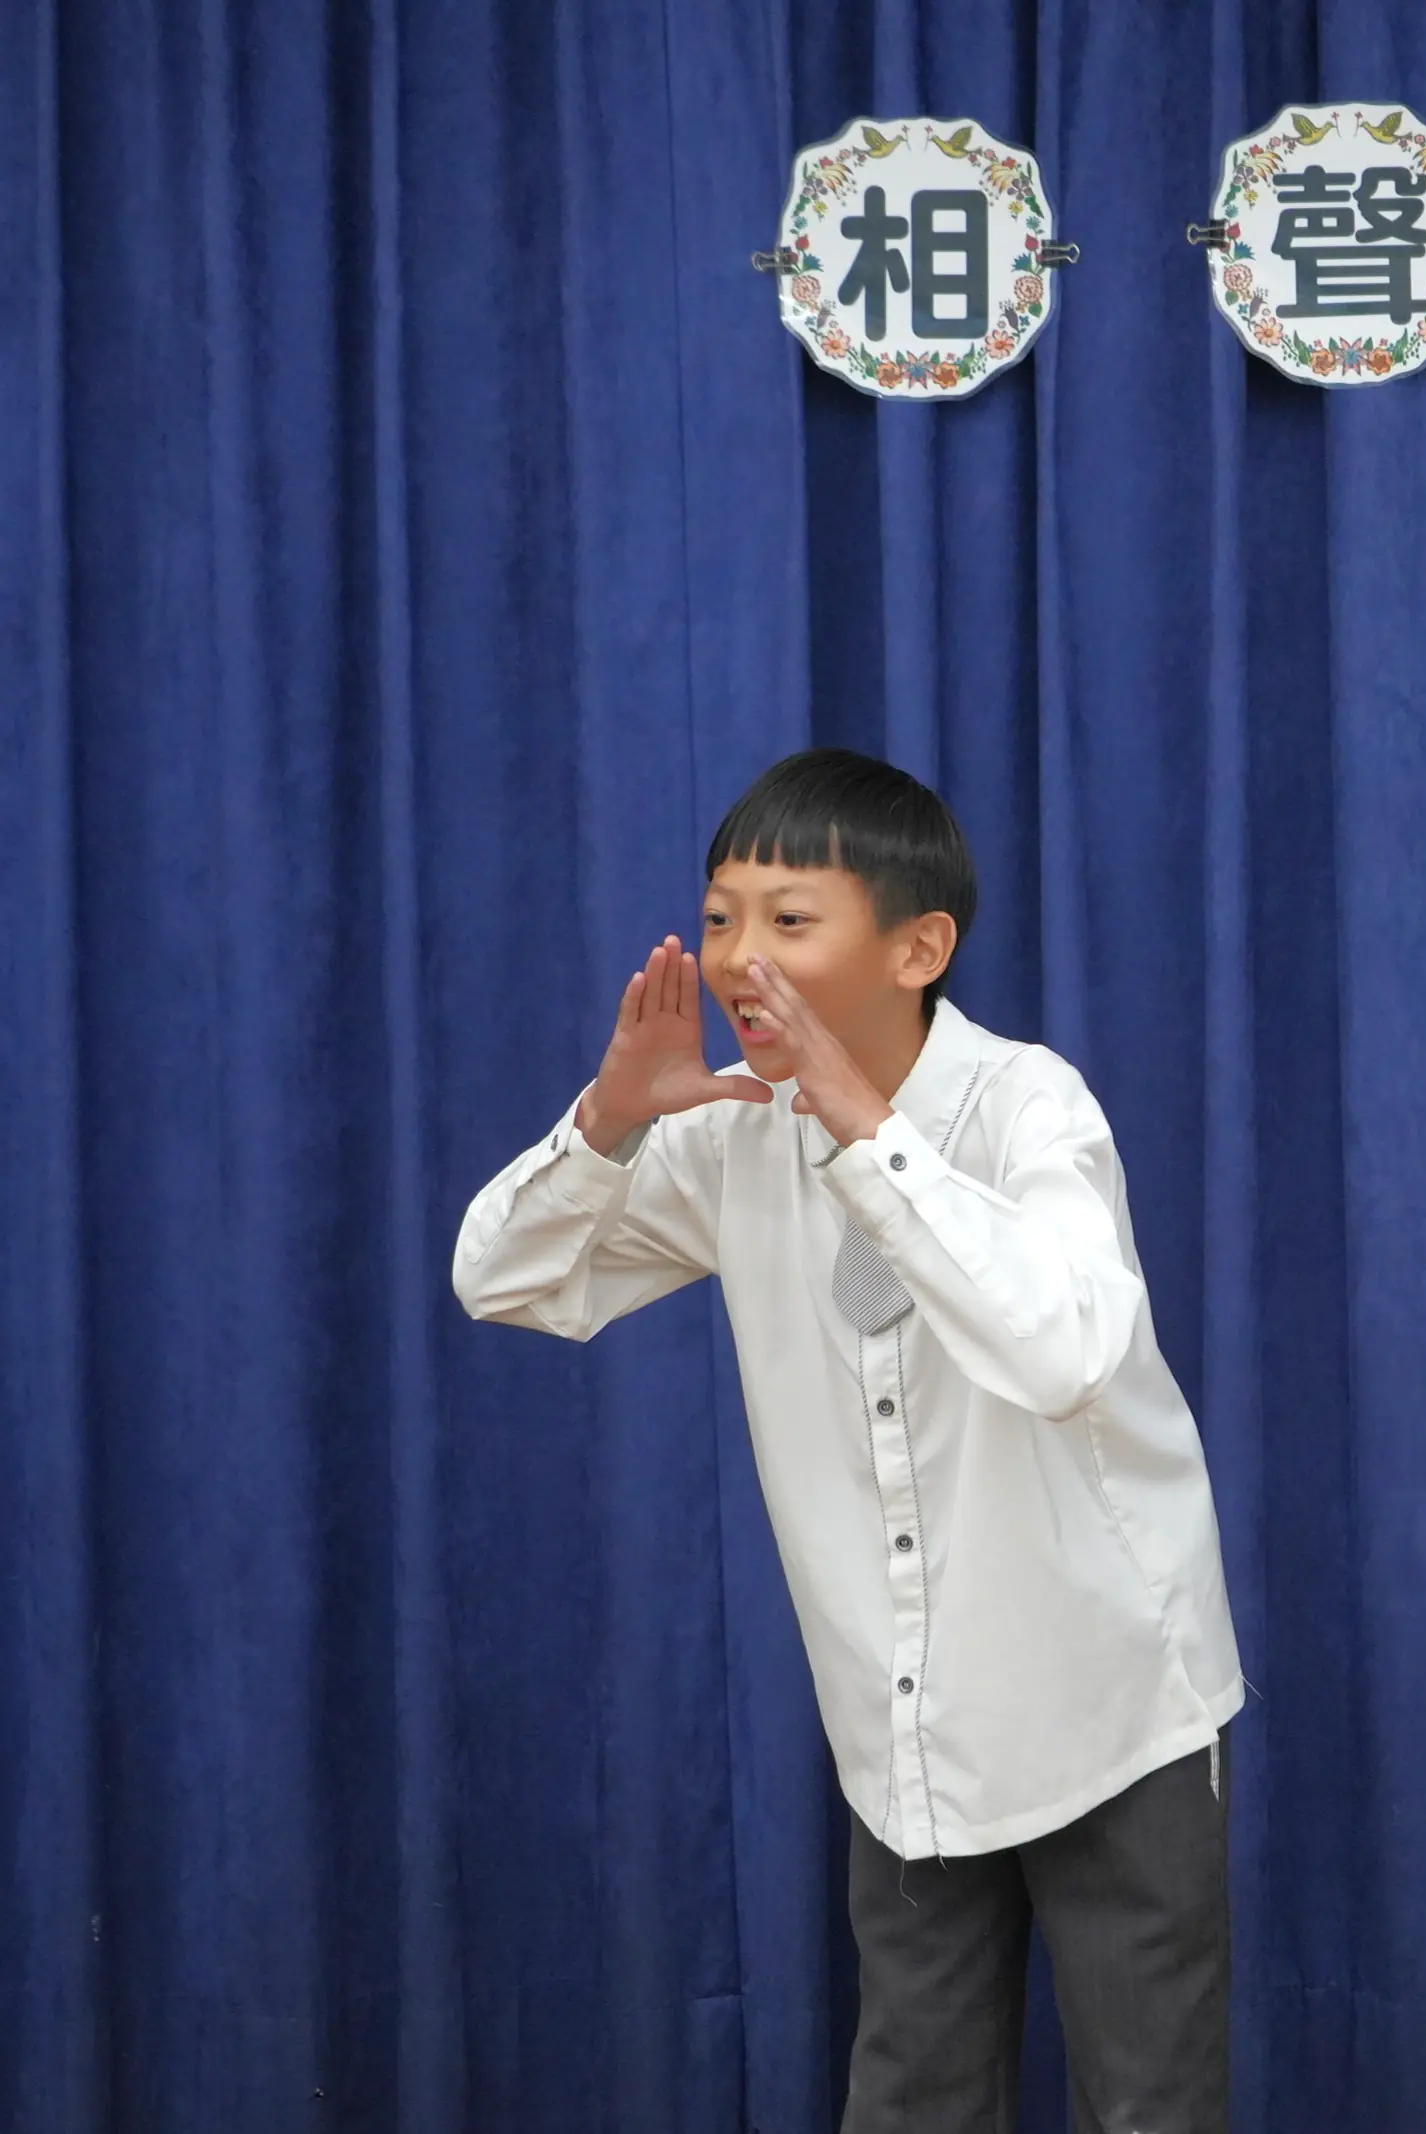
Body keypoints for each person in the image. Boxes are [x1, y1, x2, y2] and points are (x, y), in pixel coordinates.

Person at [454, 749, 1242, 2134]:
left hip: (1111, 1703)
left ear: (917, 949)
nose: (736, 959)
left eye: (788, 919)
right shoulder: (732, 1129)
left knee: (1149, 2107)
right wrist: (612, 1120)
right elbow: (502, 1277)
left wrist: (871, 1134)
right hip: (904, 1729)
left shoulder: (1029, 1106)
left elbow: (1063, 1349)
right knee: (912, 2096)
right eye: (718, 919)